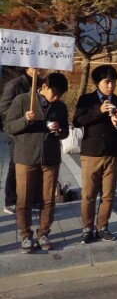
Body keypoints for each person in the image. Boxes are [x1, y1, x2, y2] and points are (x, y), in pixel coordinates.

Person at [4, 73, 69, 253]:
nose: (56, 98)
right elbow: (8, 127)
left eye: (60, 95)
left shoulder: (60, 106)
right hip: (26, 157)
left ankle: (43, 233)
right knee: (23, 199)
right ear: (45, 86)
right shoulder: (23, 100)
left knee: (48, 199)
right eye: (54, 93)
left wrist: (59, 130)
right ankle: (25, 235)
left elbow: (65, 132)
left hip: (50, 158)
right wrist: (25, 120)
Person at [73, 65, 117, 243]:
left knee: (108, 194)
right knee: (88, 194)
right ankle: (87, 228)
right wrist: (98, 111)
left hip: (113, 153)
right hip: (91, 153)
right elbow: (77, 120)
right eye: (107, 82)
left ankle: (102, 227)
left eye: (113, 82)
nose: (111, 85)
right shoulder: (86, 100)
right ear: (97, 83)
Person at [0, 67, 46, 215]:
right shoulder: (15, 84)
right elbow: (3, 108)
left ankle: (34, 200)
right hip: (19, 132)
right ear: (27, 67)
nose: (38, 69)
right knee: (16, 165)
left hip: (38, 132)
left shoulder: (43, 83)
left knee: (38, 166)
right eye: (35, 66)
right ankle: (11, 200)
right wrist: (21, 117)